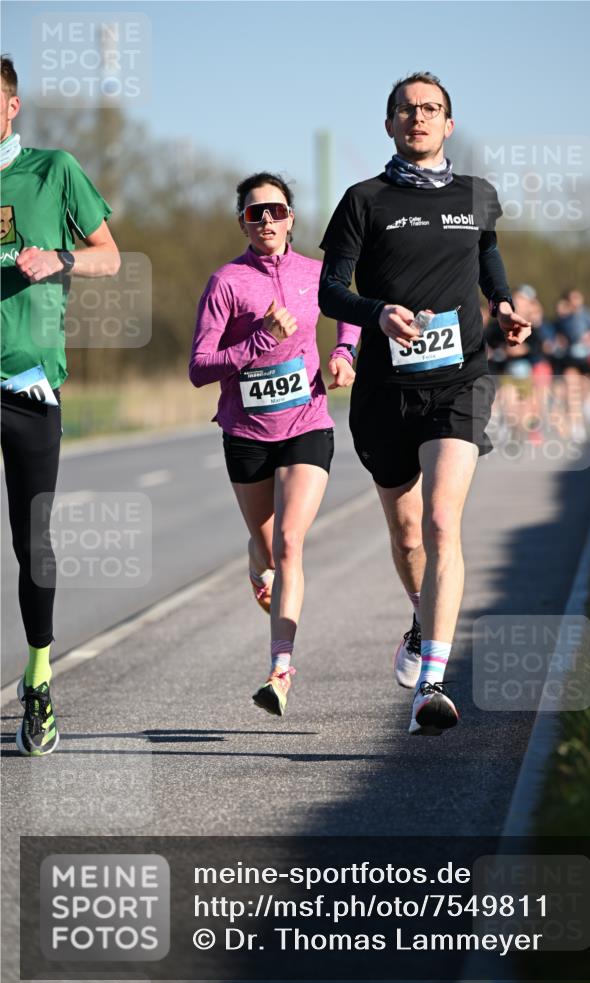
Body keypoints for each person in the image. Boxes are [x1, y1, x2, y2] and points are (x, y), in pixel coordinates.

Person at [318, 72, 530, 735]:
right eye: (406, 110)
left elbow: (487, 255)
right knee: (408, 534)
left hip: (458, 378)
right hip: (385, 390)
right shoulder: (363, 200)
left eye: (430, 110)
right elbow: (329, 291)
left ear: (449, 124)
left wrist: (502, 304)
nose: (418, 118)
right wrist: (375, 314)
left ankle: (431, 685)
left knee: (441, 521)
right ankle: (422, 617)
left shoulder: (476, 195)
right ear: (388, 124)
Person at [189, 172, 358, 717]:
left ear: (291, 218)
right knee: (265, 548)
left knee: (289, 544)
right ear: (241, 220)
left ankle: (280, 671)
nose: (267, 220)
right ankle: (254, 561)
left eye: (276, 211)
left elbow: (348, 317)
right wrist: (259, 340)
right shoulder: (227, 283)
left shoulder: (316, 274)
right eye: (255, 212)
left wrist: (344, 356)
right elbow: (198, 368)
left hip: (307, 421)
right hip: (246, 433)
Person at [0, 55, 120, 755]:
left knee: (30, 544)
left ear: (12, 107)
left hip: (29, 390)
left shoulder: (53, 170)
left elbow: (110, 253)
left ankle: (40, 679)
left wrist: (61, 258)